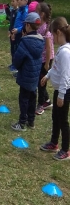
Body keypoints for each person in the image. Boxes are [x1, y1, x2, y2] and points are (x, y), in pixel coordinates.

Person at [39, 17, 70, 160]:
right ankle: (54, 142)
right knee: (55, 117)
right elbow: (56, 68)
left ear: (58, 32)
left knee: (63, 120)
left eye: (53, 35)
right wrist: (48, 75)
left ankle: (66, 149)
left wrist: (62, 95)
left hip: (64, 92)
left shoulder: (65, 52)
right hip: (59, 90)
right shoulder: (61, 50)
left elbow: (65, 75)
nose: (52, 38)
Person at [11, 12, 44, 131]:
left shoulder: (25, 42)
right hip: (34, 77)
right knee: (32, 98)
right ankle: (31, 121)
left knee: (24, 99)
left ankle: (22, 122)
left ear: (28, 26)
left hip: (26, 76)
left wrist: (17, 67)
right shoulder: (41, 41)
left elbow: (17, 59)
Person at [35, 2, 54, 115]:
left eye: (36, 10)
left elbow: (49, 49)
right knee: (39, 81)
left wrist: (47, 63)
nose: (34, 12)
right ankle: (47, 101)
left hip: (46, 60)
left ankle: (40, 105)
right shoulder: (39, 26)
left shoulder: (46, 30)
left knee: (41, 83)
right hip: (40, 59)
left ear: (41, 14)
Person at [7, 0, 19, 73]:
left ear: (18, 1)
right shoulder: (12, 11)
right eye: (11, 1)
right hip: (11, 33)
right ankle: (13, 63)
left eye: (13, 1)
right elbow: (11, 22)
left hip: (15, 34)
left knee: (15, 49)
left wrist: (14, 33)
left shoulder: (18, 12)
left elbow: (16, 24)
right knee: (12, 49)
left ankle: (16, 66)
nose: (12, 3)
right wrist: (9, 30)